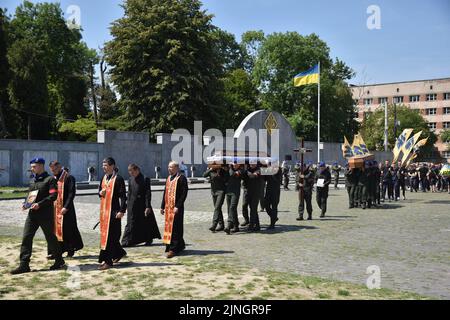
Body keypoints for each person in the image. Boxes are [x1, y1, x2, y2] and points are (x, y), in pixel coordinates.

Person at [11, 158, 65, 275]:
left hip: (45, 215)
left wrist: (39, 204)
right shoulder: (33, 180)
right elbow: (30, 195)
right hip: (32, 215)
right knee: (26, 237)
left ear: (41, 166)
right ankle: (24, 264)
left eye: (34, 166)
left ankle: (59, 260)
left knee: (50, 238)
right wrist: (26, 204)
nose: (32, 168)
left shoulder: (50, 180)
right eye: (31, 166)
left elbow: (53, 196)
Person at [48, 161, 83, 258]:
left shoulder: (69, 178)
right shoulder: (53, 179)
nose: (53, 172)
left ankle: (70, 249)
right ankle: (57, 251)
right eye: (52, 170)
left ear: (59, 167)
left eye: (55, 169)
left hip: (67, 209)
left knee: (68, 230)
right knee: (56, 230)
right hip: (55, 209)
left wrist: (66, 207)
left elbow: (71, 194)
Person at [98, 157, 127, 270]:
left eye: (105, 165)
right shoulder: (103, 178)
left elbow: (124, 197)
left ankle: (108, 261)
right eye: (103, 165)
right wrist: (100, 193)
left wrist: (121, 211)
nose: (103, 167)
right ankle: (119, 253)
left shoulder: (118, 179)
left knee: (111, 237)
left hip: (114, 212)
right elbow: (99, 192)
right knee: (108, 236)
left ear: (112, 166)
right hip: (104, 212)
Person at [121, 164, 161, 247]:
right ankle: (127, 240)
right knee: (131, 222)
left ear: (137, 170)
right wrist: (127, 204)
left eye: (132, 171)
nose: (130, 173)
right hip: (132, 204)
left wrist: (147, 206)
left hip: (142, 205)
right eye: (129, 172)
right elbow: (129, 192)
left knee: (145, 223)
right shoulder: (130, 179)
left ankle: (148, 238)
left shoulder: (145, 178)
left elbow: (147, 193)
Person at [161, 161, 189, 258]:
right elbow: (165, 192)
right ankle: (178, 245)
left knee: (176, 228)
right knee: (169, 227)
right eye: (168, 167)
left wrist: (178, 206)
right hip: (168, 208)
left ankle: (174, 249)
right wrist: (162, 206)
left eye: (171, 167)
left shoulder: (181, 178)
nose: (169, 169)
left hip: (177, 208)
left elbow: (184, 193)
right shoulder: (168, 178)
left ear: (177, 168)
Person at [203, 166, 227, 232]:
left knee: (217, 207)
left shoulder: (222, 170)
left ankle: (214, 224)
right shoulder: (211, 170)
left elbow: (225, 179)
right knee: (217, 208)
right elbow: (204, 175)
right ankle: (221, 225)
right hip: (213, 192)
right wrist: (210, 169)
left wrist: (219, 173)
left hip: (221, 191)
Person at [224, 163, 244, 234]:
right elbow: (225, 178)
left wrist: (230, 168)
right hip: (228, 191)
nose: (235, 165)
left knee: (232, 208)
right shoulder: (229, 170)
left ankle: (229, 225)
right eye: (234, 163)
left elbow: (233, 174)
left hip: (235, 193)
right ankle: (236, 226)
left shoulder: (241, 170)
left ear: (239, 165)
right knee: (231, 209)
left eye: (236, 164)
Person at [245, 163, 263, 231]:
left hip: (256, 192)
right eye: (251, 163)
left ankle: (251, 225)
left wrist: (248, 173)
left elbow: (253, 176)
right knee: (253, 209)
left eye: (254, 163)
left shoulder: (259, 170)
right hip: (249, 192)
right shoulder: (247, 170)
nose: (252, 164)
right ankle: (257, 225)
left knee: (253, 208)